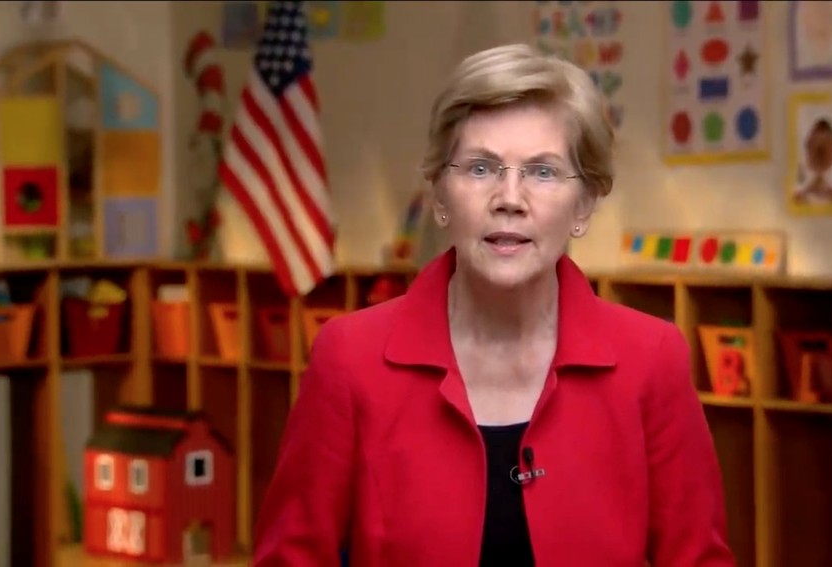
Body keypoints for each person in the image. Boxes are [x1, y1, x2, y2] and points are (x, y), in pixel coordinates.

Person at [253, 43, 734, 567]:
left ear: (585, 203)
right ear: (440, 195)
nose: (509, 197)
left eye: (543, 172)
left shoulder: (652, 359)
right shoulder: (349, 358)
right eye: (481, 168)